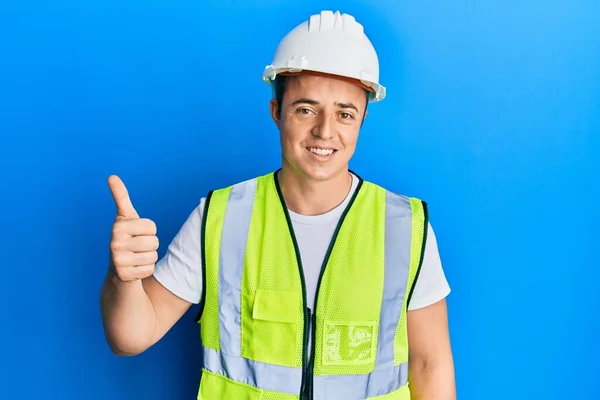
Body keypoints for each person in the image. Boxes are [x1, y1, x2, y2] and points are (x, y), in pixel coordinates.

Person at [100, 9, 456, 400]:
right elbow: (130, 337)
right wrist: (123, 278)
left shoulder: (403, 227)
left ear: (362, 120)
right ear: (277, 113)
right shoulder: (220, 219)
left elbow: (430, 364)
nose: (325, 130)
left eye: (345, 113)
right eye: (306, 109)